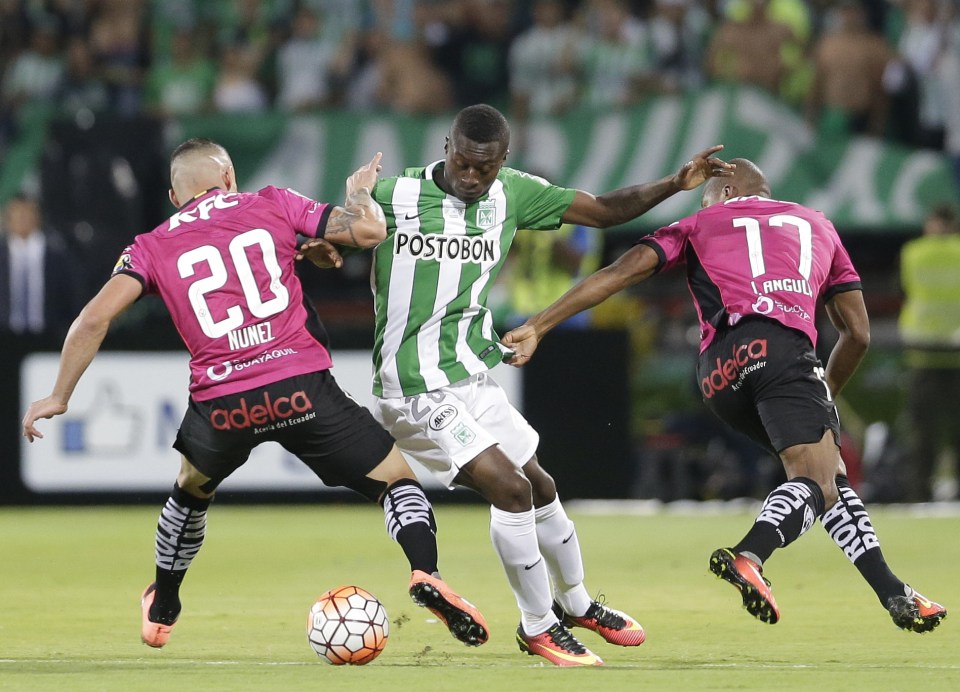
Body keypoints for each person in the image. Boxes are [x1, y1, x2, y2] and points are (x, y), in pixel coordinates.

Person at [302, 103, 733, 666]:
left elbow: (603, 211)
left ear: (503, 161)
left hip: (472, 375)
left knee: (540, 483)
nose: (473, 176)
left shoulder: (513, 193)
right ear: (446, 146)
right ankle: (537, 625)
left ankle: (576, 603)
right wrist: (322, 243)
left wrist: (676, 184)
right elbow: (320, 233)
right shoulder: (395, 196)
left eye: (486, 167)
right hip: (411, 387)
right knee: (511, 491)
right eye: (464, 162)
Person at [21, 137, 488, 650]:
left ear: (177, 198)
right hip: (300, 387)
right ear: (228, 178)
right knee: (398, 481)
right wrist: (358, 195)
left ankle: (164, 604)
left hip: (223, 404)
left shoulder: (150, 245)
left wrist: (59, 395)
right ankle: (426, 571)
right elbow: (370, 230)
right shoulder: (270, 202)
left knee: (190, 490)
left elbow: (94, 318)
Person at [502, 158, 947, 634]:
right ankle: (750, 555)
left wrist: (538, 325)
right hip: (781, 349)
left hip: (717, 374)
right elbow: (857, 333)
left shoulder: (696, 224)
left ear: (727, 188)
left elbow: (619, 273)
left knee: (825, 475)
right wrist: (824, 393)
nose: (703, 202)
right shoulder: (818, 225)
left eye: (706, 195)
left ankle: (893, 592)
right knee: (816, 481)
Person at [898, 203, 960, 502]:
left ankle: (919, 495)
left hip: (922, 350)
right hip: (956, 351)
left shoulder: (914, 252)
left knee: (923, 432)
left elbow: (907, 288)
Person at [0, 193, 84, 340]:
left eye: (27, 213)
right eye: (17, 214)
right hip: (5, 340)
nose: (22, 219)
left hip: (49, 339)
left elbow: (73, 296)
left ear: (37, 216)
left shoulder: (58, 254)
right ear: (8, 219)